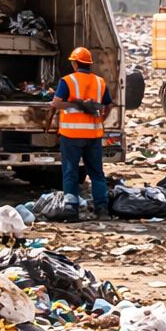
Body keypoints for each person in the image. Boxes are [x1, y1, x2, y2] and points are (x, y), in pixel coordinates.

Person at [52, 47, 111, 220]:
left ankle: (71, 209)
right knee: (97, 173)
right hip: (93, 135)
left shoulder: (68, 81)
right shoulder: (100, 82)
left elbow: (56, 103)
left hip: (71, 135)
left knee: (70, 171)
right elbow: (108, 106)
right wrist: (100, 119)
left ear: (75, 64)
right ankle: (102, 210)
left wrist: (76, 105)